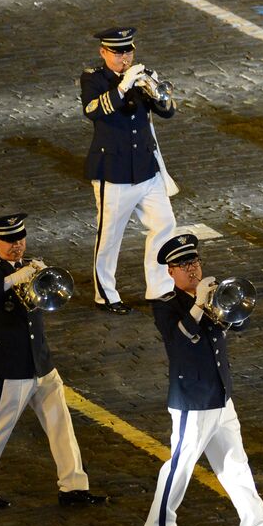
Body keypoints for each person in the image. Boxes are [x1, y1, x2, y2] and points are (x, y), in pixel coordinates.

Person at [143, 233, 263, 526]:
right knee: (181, 462)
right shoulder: (165, 306)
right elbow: (180, 339)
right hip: (193, 401)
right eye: (183, 265)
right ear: (171, 272)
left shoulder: (212, 296)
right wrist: (198, 304)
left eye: (194, 261)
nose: (191, 269)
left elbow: (241, 323)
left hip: (221, 396)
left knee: (235, 461)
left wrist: (220, 302)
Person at [0, 214, 106, 508]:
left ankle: (73, 485)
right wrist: (16, 277)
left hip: (41, 361)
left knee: (60, 423)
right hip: (10, 364)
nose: (17, 246)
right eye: (9, 241)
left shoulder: (34, 267)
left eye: (20, 240)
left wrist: (39, 275)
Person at [81, 26, 178, 313]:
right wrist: (122, 87)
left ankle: (159, 288)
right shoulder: (93, 79)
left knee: (165, 225)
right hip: (114, 171)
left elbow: (168, 110)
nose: (124, 56)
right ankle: (106, 294)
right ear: (103, 52)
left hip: (146, 168)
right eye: (117, 51)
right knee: (110, 236)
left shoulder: (141, 76)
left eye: (128, 50)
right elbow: (92, 111)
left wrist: (154, 90)